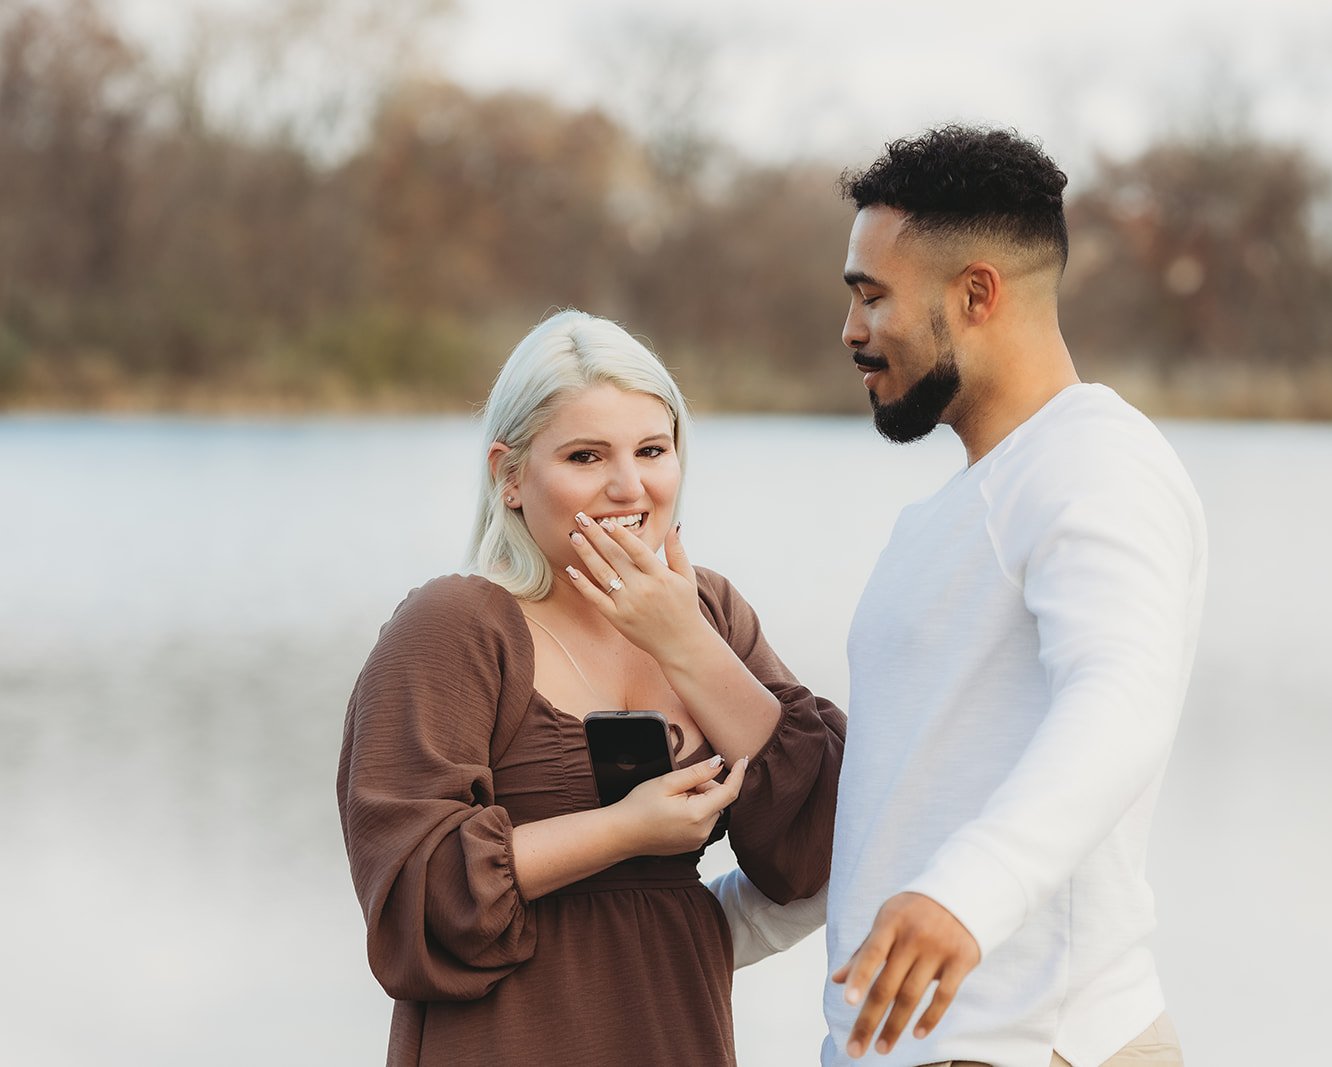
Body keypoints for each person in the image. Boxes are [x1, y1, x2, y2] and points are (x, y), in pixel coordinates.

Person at [336, 309, 843, 1066]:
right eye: (584, 455)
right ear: (509, 476)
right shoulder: (454, 626)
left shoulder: (712, 613)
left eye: (652, 449)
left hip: (675, 1030)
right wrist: (625, 830)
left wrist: (684, 642)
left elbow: (822, 840)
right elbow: (413, 896)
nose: (628, 485)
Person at [824, 126, 1207, 1067]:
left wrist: (969, 891)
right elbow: (900, 787)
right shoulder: (955, 509)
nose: (852, 330)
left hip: (1028, 1043)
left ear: (977, 293)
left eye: (873, 296)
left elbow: (1121, 698)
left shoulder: (1093, 462)